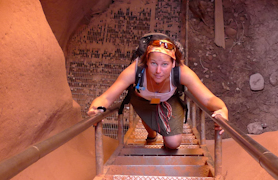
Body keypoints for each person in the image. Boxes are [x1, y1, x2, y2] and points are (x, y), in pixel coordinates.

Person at [87, 36, 228, 149]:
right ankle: (151, 133)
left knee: (173, 143)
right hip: (142, 100)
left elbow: (209, 99)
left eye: (164, 64)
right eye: (154, 63)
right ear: (147, 61)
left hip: (169, 100)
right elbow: (105, 98)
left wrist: (222, 109)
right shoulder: (135, 70)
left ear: (173, 64)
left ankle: (159, 135)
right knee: (148, 120)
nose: (158, 71)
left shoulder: (182, 72)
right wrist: (97, 110)